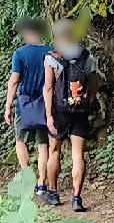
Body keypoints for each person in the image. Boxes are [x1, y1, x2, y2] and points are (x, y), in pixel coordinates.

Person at [42, 19, 99, 212]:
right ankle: (76, 198)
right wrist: (86, 101)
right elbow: (93, 84)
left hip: (59, 110)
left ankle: (53, 192)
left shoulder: (52, 57)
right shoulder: (86, 56)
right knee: (77, 154)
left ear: (57, 35)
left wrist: (49, 115)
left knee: (54, 150)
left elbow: (48, 88)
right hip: (80, 110)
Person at [5, 19, 52, 195]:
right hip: (44, 103)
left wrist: (8, 105)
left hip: (23, 104)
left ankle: (27, 177)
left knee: (20, 141)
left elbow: (14, 80)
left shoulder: (20, 53)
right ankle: (42, 184)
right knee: (42, 145)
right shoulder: (50, 52)